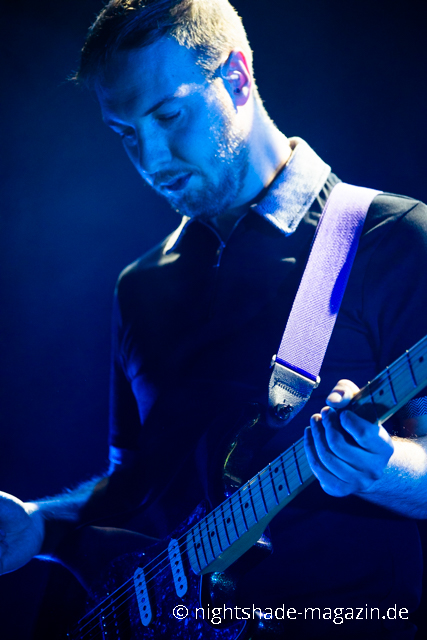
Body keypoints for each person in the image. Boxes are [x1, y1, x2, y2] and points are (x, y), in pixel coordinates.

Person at [1, 0, 427, 637]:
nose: (151, 157)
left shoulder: (393, 239)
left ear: (237, 77)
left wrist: (380, 466)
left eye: (169, 114)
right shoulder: (139, 286)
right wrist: (42, 524)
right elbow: (136, 487)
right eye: (124, 133)